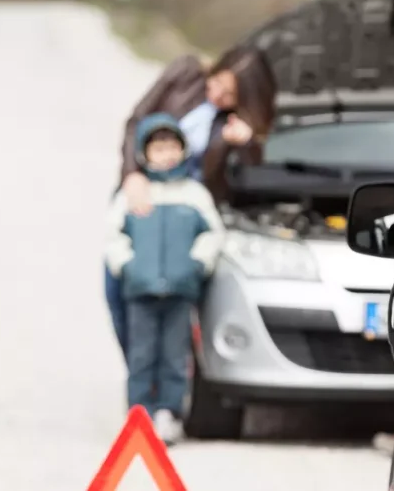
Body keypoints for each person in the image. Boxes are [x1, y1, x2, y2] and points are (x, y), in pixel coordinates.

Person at [106, 46, 277, 359]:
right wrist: (132, 174)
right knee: (118, 292)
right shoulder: (185, 72)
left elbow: (247, 177)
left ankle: (165, 389)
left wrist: (246, 144)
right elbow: (137, 120)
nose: (218, 96)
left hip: (184, 215)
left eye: (229, 95)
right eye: (217, 85)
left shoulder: (236, 122)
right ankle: (143, 377)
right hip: (140, 194)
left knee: (173, 312)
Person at [105, 113, 226, 445]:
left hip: (180, 290)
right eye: (158, 148)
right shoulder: (134, 194)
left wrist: (197, 264)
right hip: (140, 290)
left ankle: (169, 413)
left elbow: (212, 233)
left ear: (183, 150)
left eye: (172, 147)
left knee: (175, 355)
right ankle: (139, 415)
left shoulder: (194, 194)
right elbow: (113, 235)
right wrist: (127, 265)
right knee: (141, 354)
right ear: (146, 154)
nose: (166, 154)